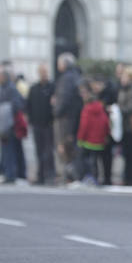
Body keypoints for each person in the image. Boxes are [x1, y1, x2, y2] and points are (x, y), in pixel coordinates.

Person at [53, 53, 83, 181]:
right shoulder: (77, 76)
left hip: (66, 119)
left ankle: (70, 176)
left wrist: (56, 111)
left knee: (66, 147)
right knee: (71, 146)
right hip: (75, 117)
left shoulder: (66, 78)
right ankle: (72, 175)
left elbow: (64, 98)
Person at [0, 65, 25, 183]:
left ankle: (10, 175)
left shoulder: (10, 89)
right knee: (7, 150)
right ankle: (8, 173)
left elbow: (17, 105)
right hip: (5, 124)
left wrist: (5, 111)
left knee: (9, 150)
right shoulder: (4, 88)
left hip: (9, 125)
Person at [27, 63, 56, 185]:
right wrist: (31, 121)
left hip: (49, 124)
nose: (43, 74)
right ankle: (40, 176)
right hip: (37, 125)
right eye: (41, 72)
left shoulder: (53, 87)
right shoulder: (34, 88)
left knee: (48, 152)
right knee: (39, 152)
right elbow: (28, 106)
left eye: (45, 72)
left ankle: (50, 176)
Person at [76, 79, 110, 186]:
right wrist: (105, 136)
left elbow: (84, 126)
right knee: (95, 161)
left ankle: (88, 177)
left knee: (85, 160)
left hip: (87, 140)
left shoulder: (87, 109)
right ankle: (95, 177)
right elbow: (105, 123)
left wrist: (80, 139)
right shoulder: (100, 108)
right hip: (98, 141)